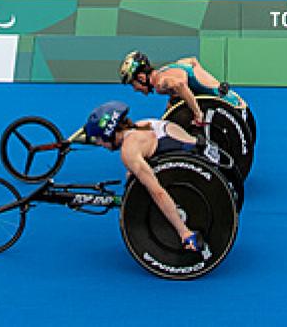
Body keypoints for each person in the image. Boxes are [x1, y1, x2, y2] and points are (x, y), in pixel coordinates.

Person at [83, 100, 206, 254]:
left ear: (108, 135)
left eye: (99, 139)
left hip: (194, 174)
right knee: (133, 174)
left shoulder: (129, 151)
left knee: (150, 187)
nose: (100, 144)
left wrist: (184, 232)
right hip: (201, 150)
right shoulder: (142, 124)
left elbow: (158, 192)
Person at [119, 51, 247, 126]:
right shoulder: (165, 69)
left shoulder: (160, 84)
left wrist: (198, 113)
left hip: (233, 111)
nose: (135, 89)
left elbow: (179, 84)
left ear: (141, 78)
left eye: (133, 84)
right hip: (235, 101)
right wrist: (215, 84)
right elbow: (192, 61)